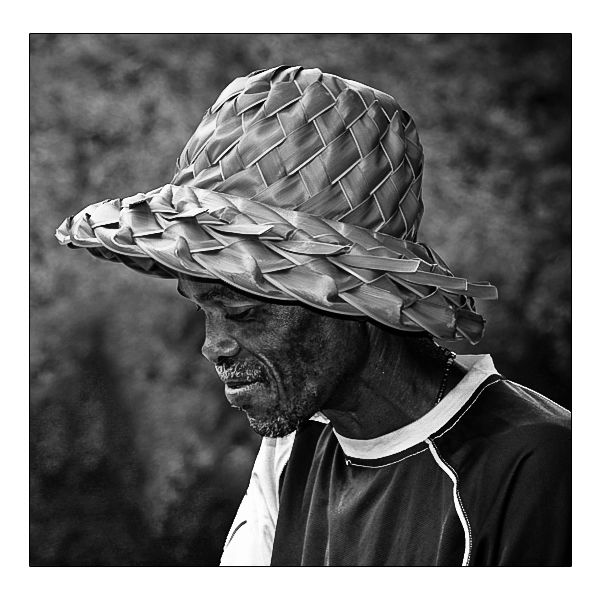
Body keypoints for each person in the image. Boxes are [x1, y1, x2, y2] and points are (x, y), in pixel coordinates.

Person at [56, 65, 571, 566]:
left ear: (349, 298)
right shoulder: (291, 448)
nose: (213, 346)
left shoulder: (535, 468)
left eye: (241, 311)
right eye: (202, 309)